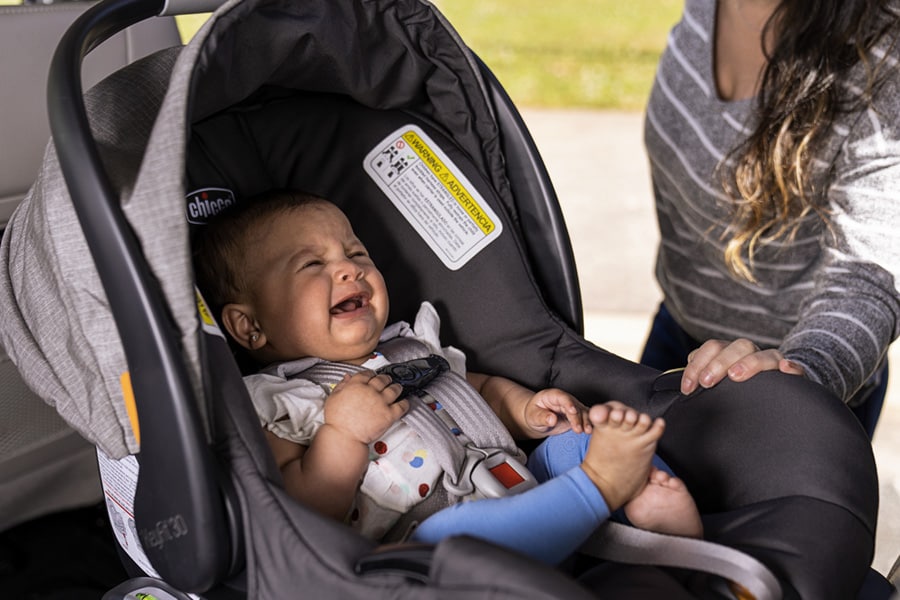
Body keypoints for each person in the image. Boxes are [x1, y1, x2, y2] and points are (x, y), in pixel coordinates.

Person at [192, 190, 702, 566]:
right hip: (418, 547)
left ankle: (654, 513)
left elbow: (475, 390)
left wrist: (526, 408)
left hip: (514, 481)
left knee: (576, 437)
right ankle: (604, 489)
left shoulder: (412, 346)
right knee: (455, 535)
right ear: (249, 325)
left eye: (356, 254)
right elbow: (299, 508)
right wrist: (341, 434)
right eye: (312, 264)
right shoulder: (277, 402)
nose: (348, 270)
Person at [641, 0, 900, 437]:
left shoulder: (883, 61)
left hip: (785, 388)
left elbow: (868, 280)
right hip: (678, 332)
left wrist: (799, 374)